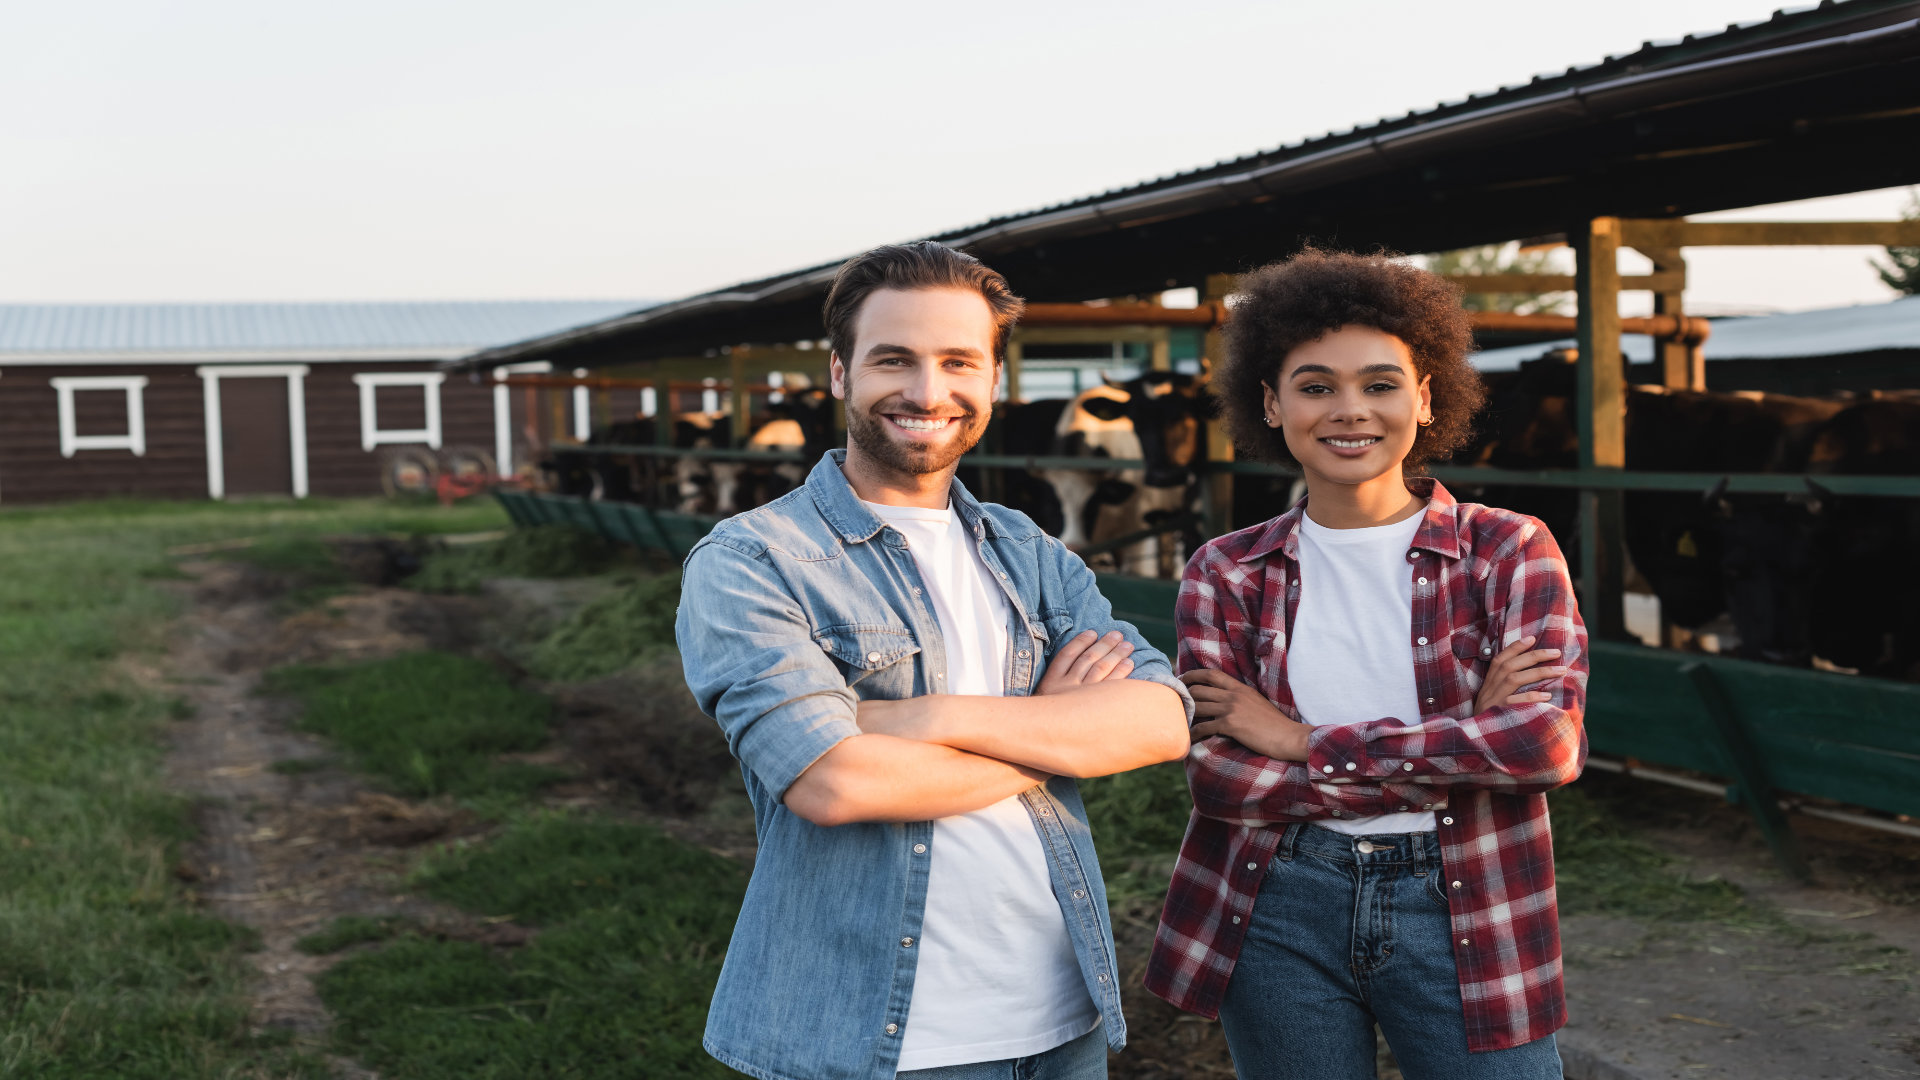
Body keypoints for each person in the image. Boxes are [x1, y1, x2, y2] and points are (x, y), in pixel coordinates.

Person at [677, 241, 1193, 1080]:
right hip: (874, 1041)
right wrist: (1054, 736)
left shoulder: (1030, 551)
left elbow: (1163, 721)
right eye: (894, 360)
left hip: (1064, 1024)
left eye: (959, 361)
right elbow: (833, 783)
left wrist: (917, 722)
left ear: (993, 379)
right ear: (840, 373)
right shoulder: (753, 560)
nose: (928, 391)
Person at [1144, 248, 1588, 1080]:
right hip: (1274, 902)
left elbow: (1543, 748)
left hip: (1471, 896)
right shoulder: (1225, 570)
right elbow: (1220, 781)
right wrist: (1462, 739)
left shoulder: (1508, 549)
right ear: (1270, 404)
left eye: (1380, 385)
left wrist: (1300, 742)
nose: (1351, 410)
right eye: (1316, 387)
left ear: (1424, 400)